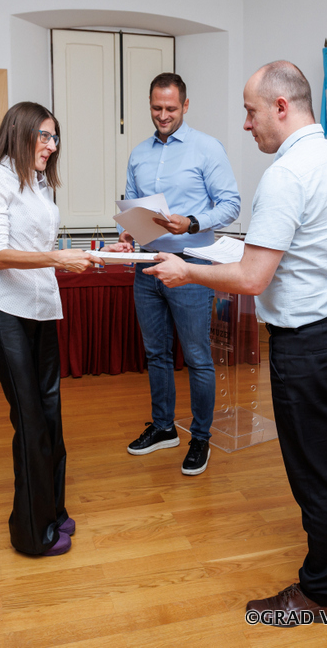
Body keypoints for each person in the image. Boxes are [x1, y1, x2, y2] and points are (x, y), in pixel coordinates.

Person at [144, 61, 327, 626]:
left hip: (308, 346)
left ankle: (319, 593)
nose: (246, 125)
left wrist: (187, 270)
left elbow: (251, 279)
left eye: (250, 112)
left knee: (315, 470)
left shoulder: (286, 174)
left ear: (280, 107)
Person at [0, 101, 103, 557]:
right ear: (21, 132)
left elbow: (43, 249)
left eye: (54, 137)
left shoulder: (40, 182)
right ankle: (31, 535)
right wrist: (58, 259)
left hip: (44, 309)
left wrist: (89, 257)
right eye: (44, 136)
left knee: (51, 417)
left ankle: (52, 511)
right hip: (7, 312)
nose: (51, 145)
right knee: (30, 423)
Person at [111, 72, 240, 476]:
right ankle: (164, 428)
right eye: (156, 108)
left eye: (170, 108)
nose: (163, 115)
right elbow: (134, 210)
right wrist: (127, 233)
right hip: (148, 264)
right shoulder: (138, 154)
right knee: (156, 354)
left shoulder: (207, 148)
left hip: (192, 266)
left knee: (198, 357)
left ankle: (200, 437)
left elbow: (231, 204)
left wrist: (193, 222)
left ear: (185, 105)